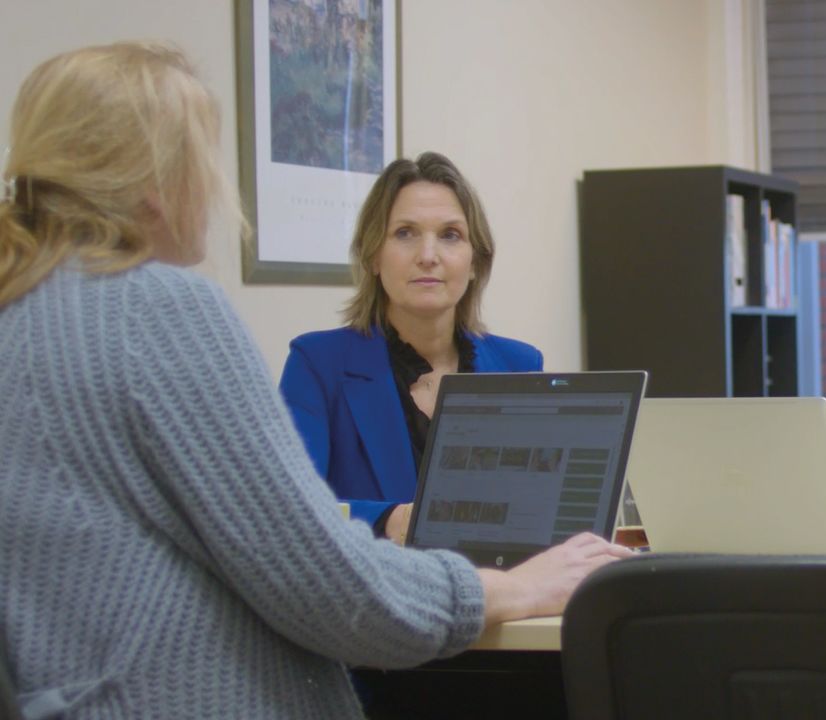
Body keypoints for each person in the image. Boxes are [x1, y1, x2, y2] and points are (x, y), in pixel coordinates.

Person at [0, 42, 630, 720]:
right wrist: (518, 589)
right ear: (155, 181)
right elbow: (323, 582)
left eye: (450, 235)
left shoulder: (22, 307)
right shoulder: (156, 311)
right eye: (204, 157)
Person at [279, 152, 542, 543]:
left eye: (450, 235)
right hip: (377, 577)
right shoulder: (318, 364)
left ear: (475, 261)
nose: (428, 256)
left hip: (497, 579)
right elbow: (287, 506)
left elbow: (536, 507)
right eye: (405, 233)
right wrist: (390, 519)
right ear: (373, 255)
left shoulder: (519, 365)